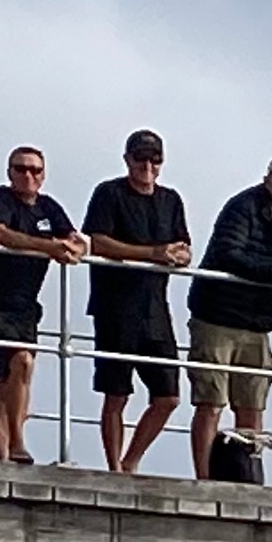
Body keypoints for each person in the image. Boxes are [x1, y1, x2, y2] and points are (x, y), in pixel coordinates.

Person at [188, 155, 272, 478]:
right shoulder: (241, 206)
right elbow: (229, 254)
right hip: (216, 316)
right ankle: (205, 479)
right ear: (268, 180)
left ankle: (247, 476)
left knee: (252, 404)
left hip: (259, 324)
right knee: (211, 402)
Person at [80, 129, 190, 476]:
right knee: (116, 394)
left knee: (168, 396)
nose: (147, 165)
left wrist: (177, 255)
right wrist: (152, 253)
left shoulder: (171, 199)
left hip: (156, 309)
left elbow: (184, 245)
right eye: (141, 158)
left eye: (154, 159)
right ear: (127, 159)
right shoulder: (109, 192)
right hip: (115, 307)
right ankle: (114, 468)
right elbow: (97, 242)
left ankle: (130, 461)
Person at [0, 146, 81, 465]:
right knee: (21, 362)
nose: (28, 175)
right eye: (21, 169)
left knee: (9, 376)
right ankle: (17, 442)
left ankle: (1, 454)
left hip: (25, 306)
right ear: (9, 173)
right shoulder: (0, 199)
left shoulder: (48, 208)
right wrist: (48, 246)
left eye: (35, 170)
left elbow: (74, 239)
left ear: (43, 175)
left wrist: (72, 248)